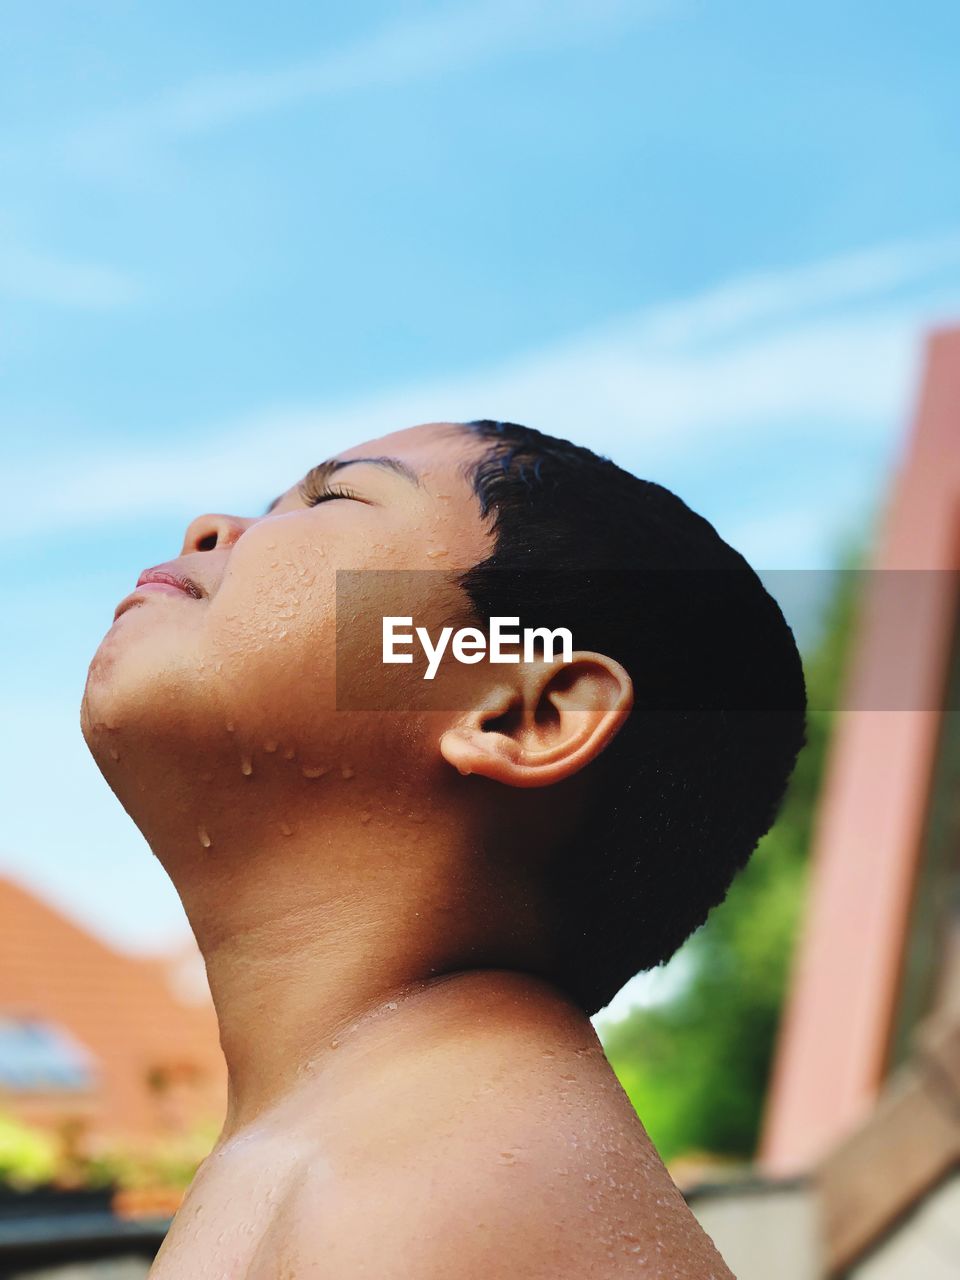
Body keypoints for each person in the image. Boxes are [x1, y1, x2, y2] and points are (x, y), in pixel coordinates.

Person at [82, 419, 806, 1278]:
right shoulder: (373, 1146)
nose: (210, 525)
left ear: (524, 714)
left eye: (336, 496)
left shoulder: (435, 1199)